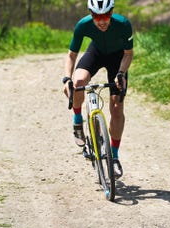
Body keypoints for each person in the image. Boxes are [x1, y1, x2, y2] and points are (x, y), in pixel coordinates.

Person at [62, 0, 133, 178]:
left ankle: (114, 158)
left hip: (118, 60)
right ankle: (78, 121)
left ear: (112, 12)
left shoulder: (123, 24)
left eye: (106, 16)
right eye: (96, 16)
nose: (101, 21)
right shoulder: (83, 25)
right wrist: (66, 79)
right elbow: (72, 55)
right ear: (91, 14)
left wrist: (121, 73)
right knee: (78, 83)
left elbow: (128, 54)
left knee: (116, 108)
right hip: (96, 53)